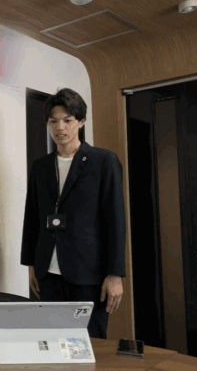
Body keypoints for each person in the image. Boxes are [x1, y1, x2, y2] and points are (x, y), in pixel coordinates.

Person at [20, 88, 126, 339]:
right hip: (48, 274)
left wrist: (115, 274)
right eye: (53, 121)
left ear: (81, 121)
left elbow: (115, 220)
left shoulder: (103, 161)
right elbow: (32, 217)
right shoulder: (40, 167)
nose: (60, 128)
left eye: (67, 120)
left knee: (89, 343)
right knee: (53, 342)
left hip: (89, 275)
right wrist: (31, 264)